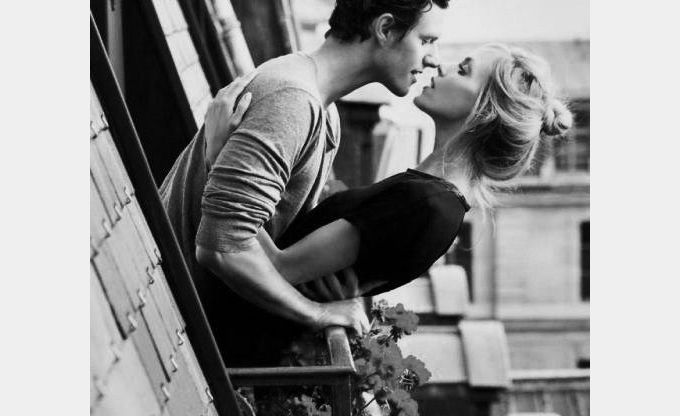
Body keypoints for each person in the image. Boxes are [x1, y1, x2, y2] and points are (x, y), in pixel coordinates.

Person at [159, 0, 450, 366]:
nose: (434, 59)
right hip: (166, 330)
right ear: (386, 29)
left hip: (181, 331)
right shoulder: (293, 102)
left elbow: (255, 232)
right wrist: (317, 313)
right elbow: (222, 247)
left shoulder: (322, 111)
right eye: (426, 40)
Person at [205, 43, 573, 311]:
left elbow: (280, 267)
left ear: (483, 112)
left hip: (219, 322)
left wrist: (220, 155)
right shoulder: (432, 199)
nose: (440, 66)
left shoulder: (425, 203)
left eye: (463, 70)